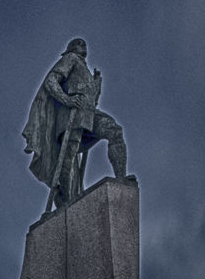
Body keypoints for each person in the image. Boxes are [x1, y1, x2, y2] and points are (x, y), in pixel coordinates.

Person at [22, 38, 129, 209]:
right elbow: (51, 81)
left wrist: (96, 86)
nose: (83, 45)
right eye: (79, 43)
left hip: (89, 113)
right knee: (69, 155)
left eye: (84, 43)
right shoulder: (70, 58)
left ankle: (121, 178)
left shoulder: (85, 68)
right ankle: (68, 200)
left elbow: (91, 100)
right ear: (71, 48)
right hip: (71, 113)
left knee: (115, 131)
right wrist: (67, 99)